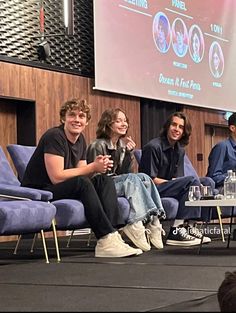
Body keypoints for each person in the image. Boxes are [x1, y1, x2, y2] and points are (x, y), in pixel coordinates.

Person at [21, 98, 143, 258]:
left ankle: (112, 235)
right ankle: (105, 237)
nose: (77, 120)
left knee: (103, 179)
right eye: (72, 115)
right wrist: (92, 167)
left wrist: (98, 166)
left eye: (81, 116)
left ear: (86, 122)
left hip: (61, 186)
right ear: (63, 118)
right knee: (83, 182)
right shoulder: (54, 136)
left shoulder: (80, 140)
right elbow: (56, 177)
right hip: (40, 190)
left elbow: (82, 171)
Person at [86, 108, 166, 252]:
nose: (124, 124)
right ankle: (135, 222)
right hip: (103, 186)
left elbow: (128, 173)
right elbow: (96, 176)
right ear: (108, 124)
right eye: (118, 121)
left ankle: (154, 220)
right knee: (133, 179)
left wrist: (129, 154)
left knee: (145, 178)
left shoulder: (122, 146)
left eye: (125, 121)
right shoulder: (97, 145)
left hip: (119, 182)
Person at [139, 111, 211, 246]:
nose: (176, 129)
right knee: (191, 182)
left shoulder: (179, 149)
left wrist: (177, 183)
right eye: (174, 125)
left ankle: (189, 226)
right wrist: (176, 183)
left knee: (203, 183)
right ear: (167, 126)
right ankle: (176, 230)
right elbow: (148, 180)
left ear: (184, 132)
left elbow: (177, 178)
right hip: (151, 189)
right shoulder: (153, 147)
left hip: (166, 186)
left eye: (181, 127)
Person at [207, 112, 236, 193]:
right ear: (232, 128)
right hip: (224, 190)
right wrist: (233, 177)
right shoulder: (222, 146)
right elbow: (213, 177)